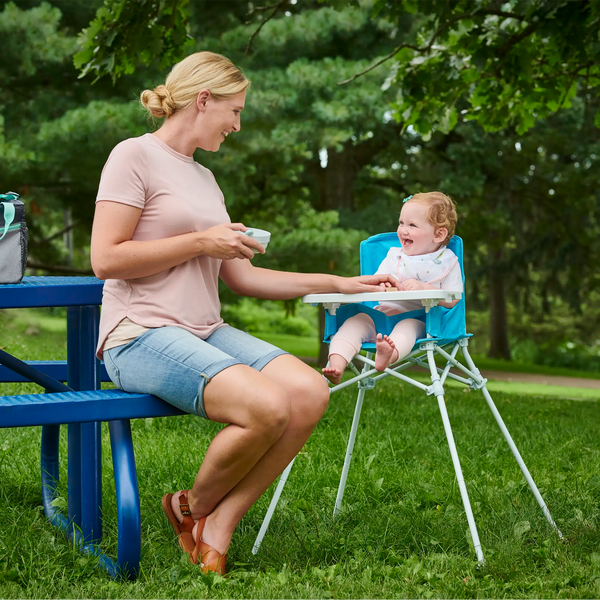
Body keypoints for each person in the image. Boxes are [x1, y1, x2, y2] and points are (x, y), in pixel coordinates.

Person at [90, 51, 397, 575]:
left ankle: (217, 521)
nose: (237, 124)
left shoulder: (207, 181)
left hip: (205, 330)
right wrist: (199, 240)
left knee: (308, 392)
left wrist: (342, 283)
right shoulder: (132, 156)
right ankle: (190, 508)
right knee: (266, 407)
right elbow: (105, 258)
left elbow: (244, 278)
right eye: (234, 110)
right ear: (203, 99)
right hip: (137, 334)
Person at [322, 192, 462, 385]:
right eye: (401, 223)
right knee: (354, 323)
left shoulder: (447, 262)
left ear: (439, 234)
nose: (403, 230)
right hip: (381, 315)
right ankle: (336, 365)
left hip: (421, 320)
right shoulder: (394, 256)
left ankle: (388, 355)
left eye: (412, 225)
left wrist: (423, 287)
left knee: (406, 329)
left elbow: (454, 299)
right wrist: (382, 285)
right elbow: (375, 282)